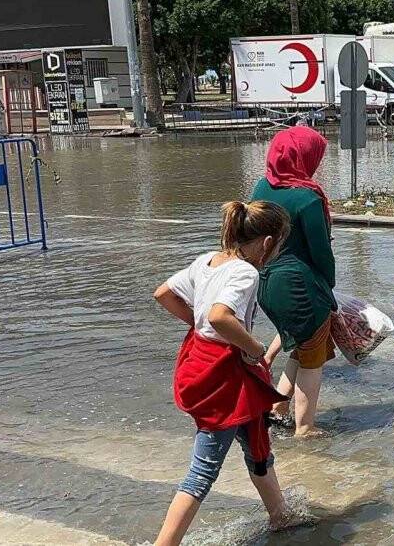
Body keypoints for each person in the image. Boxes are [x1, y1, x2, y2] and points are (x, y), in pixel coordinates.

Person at [153, 201, 295, 545]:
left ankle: (280, 516)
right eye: (278, 246)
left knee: (256, 440)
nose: (275, 253)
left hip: (202, 360)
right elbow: (219, 316)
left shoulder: (207, 260)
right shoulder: (246, 272)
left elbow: (164, 294)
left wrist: (196, 322)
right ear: (266, 243)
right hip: (224, 373)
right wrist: (255, 349)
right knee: (203, 470)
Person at [251, 126, 337, 438]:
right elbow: (321, 252)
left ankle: (277, 408)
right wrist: (329, 284)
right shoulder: (307, 199)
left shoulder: (261, 188)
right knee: (313, 360)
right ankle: (305, 428)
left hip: (267, 285)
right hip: (301, 288)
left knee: (302, 348)